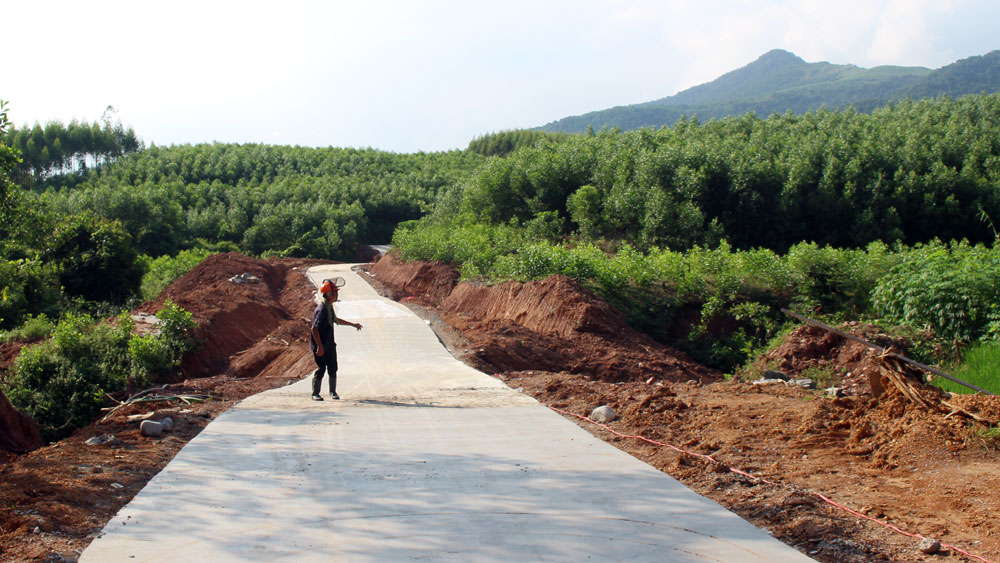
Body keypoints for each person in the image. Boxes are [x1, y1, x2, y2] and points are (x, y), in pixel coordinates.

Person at [310, 279, 362, 401]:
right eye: (335, 293)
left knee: (333, 368)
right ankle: (315, 393)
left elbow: (336, 320)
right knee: (321, 368)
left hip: (329, 345)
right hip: (321, 346)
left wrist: (353, 324)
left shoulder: (328, 307)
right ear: (329, 294)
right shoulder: (321, 309)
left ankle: (332, 392)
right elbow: (314, 329)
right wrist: (319, 346)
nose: (337, 295)